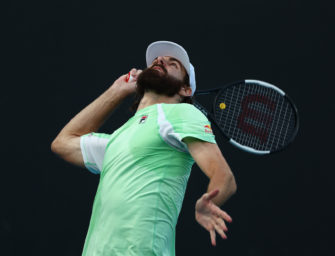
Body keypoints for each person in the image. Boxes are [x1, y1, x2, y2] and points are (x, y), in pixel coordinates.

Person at [51, 41, 237, 256]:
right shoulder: (117, 139)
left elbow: (224, 177)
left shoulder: (182, 114)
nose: (160, 60)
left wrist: (209, 202)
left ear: (185, 90)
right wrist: (117, 91)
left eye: (173, 63)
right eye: (158, 60)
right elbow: (63, 143)